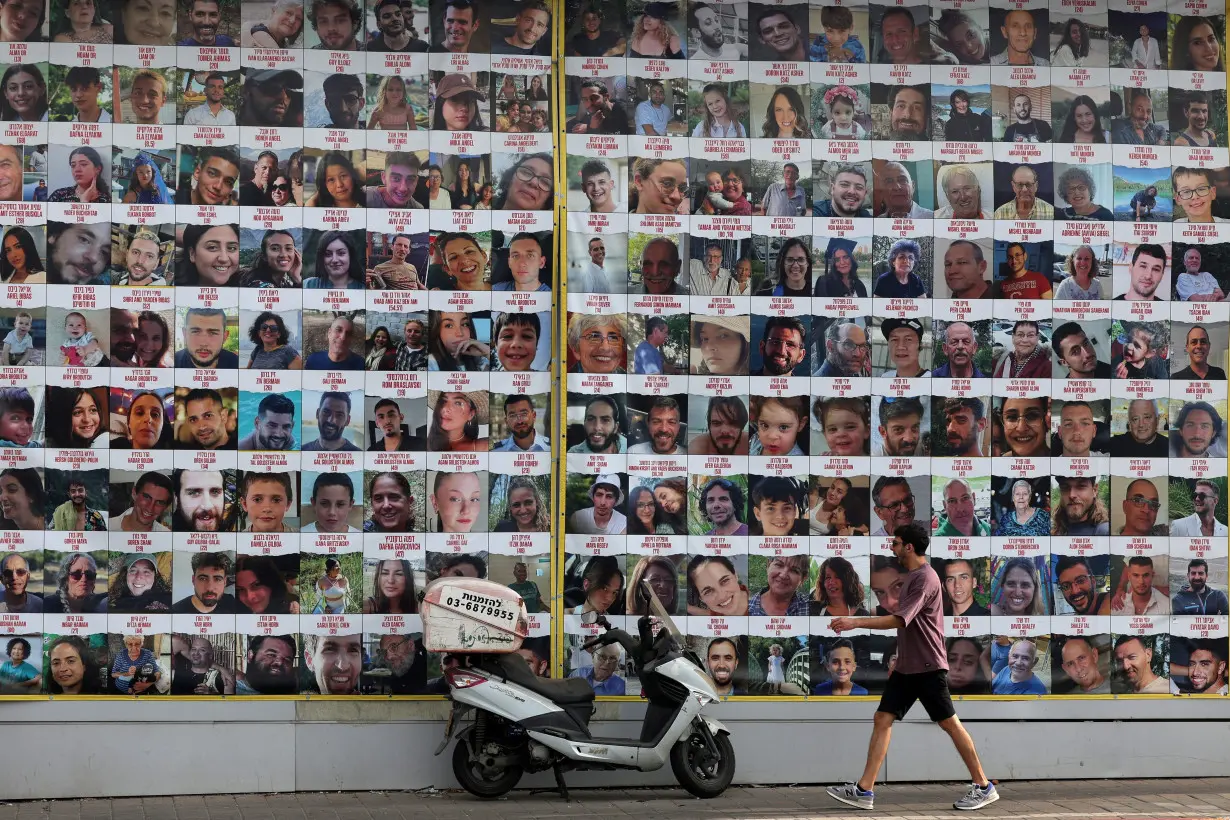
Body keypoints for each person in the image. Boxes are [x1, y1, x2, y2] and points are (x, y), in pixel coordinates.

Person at [827, 524, 997, 812]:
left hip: (928, 667)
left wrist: (854, 622)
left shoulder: (925, 578)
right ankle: (864, 790)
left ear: (908, 547)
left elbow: (899, 619)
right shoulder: (914, 577)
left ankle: (983, 786)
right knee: (882, 718)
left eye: (895, 543)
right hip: (908, 668)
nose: (891, 547)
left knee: (950, 724)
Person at [175, 146, 240, 206]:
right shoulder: (174, 201)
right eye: (212, 174)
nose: (218, 186)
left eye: (228, 182)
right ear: (197, 172)